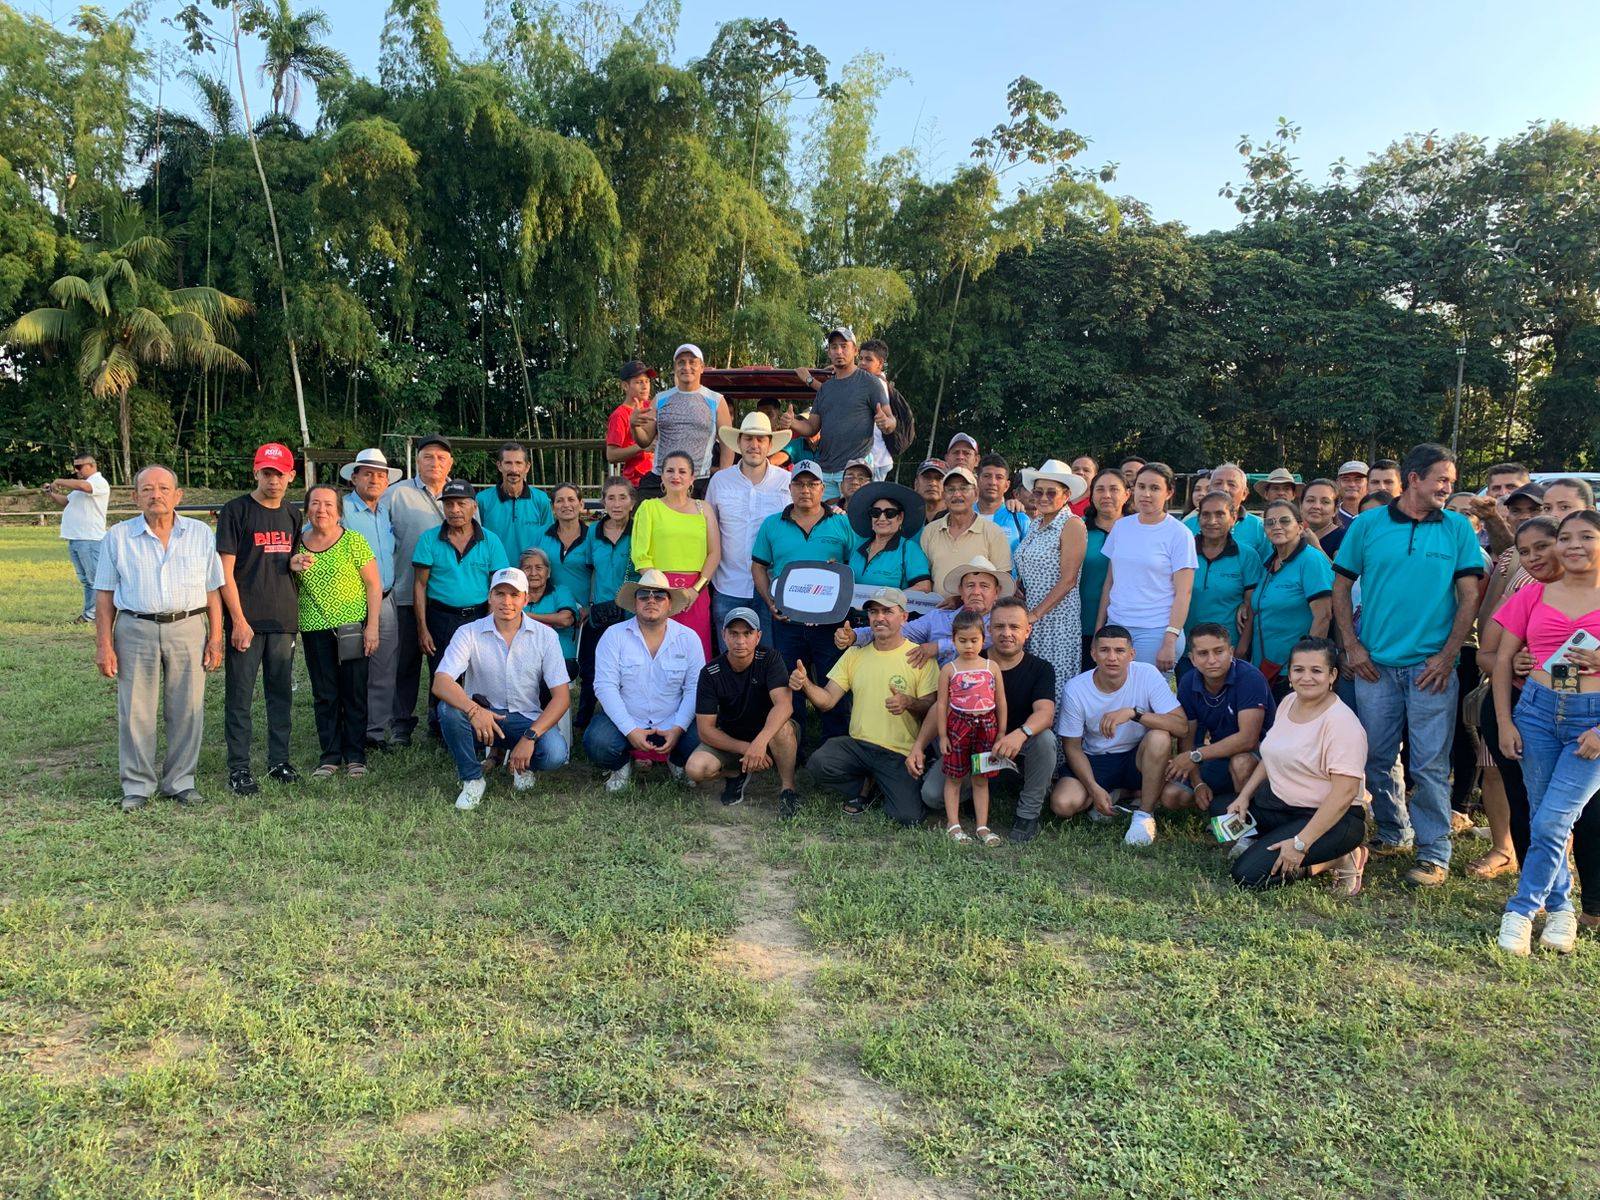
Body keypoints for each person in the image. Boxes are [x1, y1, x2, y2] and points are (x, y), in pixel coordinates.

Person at [1333, 442, 1485, 886]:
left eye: (1451, 481)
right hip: (1374, 665)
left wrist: (1448, 655)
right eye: (1442, 479)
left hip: (1430, 668)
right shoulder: (1368, 525)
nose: (1448, 488)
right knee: (1377, 756)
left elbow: (1470, 597)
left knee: (1430, 763)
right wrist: (1352, 646)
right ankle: (1394, 830)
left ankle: (1434, 853)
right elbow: (1340, 587)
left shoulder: (1457, 528)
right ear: (1414, 478)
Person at [1492, 510, 1600, 954]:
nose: (1573, 546)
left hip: (1590, 723)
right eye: (1566, 538)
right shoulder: (1535, 593)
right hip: (1536, 713)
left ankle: (1521, 910)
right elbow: (1502, 659)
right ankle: (1560, 909)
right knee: (1542, 819)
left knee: (1555, 820)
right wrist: (1504, 721)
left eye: (1586, 537)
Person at [93, 465, 224, 811]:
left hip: (188, 627)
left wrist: (216, 637)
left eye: (164, 488)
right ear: (135, 497)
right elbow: (104, 594)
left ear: (178, 495)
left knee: (188, 709)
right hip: (135, 628)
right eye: (147, 489)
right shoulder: (118, 537)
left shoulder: (200, 533)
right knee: (136, 710)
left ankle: (180, 782)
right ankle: (137, 785)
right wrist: (104, 645)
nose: (156, 495)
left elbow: (213, 590)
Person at [1225, 638, 1370, 894]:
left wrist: (1301, 844)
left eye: (1316, 670)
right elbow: (1273, 753)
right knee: (1222, 811)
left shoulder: (1342, 724)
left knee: (1247, 876)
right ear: (1290, 674)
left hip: (1333, 819)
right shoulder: (1289, 701)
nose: (1306, 677)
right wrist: (1244, 796)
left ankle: (1337, 859)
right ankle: (1274, 839)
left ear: (1332, 675)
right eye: (1299, 670)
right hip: (1284, 807)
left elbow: (1345, 793)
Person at [909, 597, 1058, 842]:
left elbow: (1045, 713)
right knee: (932, 795)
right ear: (989, 629)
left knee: (1045, 739)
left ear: (1027, 631)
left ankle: (1027, 813)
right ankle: (978, 790)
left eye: (1014, 627)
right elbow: (941, 706)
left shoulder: (1040, 668)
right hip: (969, 741)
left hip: (1016, 745)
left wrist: (1019, 734)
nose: (1006, 633)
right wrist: (918, 746)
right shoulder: (969, 660)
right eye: (999, 626)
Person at [791, 587, 938, 824]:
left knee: (907, 817)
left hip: (898, 752)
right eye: (873, 612)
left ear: (904, 617)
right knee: (819, 763)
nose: (879, 618)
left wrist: (908, 702)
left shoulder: (918, 656)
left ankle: (879, 785)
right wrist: (806, 684)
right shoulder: (855, 654)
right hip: (858, 746)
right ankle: (866, 785)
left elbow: (932, 706)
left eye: (887, 611)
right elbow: (827, 701)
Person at [432, 567, 571, 811]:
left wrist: (530, 737)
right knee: (448, 709)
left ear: (525, 599)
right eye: (500, 594)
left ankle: (523, 765)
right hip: (482, 719)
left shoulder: (545, 636)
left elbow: (561, 698)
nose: (506, 602)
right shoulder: (469, 632)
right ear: (490, 597)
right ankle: (472, 779)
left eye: (514, 595)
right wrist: (474, 710)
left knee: (555, 753)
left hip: (525, 719)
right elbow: (441, 681)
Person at [1472, 516, 1563, 880]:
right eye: (1525, 551)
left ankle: (1568, 888)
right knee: (1525, 800)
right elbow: (1487, 655)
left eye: (1542, 547)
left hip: (1579, 713)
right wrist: (1512, 662)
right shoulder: (1524, 593)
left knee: (1567, 806)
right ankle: (1534, 885)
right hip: (1518, 705)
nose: (1533, 557)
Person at [1049, 625, 1188, 846]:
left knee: (1159, 736)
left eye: (1120, 651)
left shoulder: (1147, 674)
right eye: (1104, 650)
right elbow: (1072, 746)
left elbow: (1181, 727)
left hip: (1137, 757)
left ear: (1132, 654)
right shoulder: (1076, 688)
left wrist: (1134, 714)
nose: (1112, 657)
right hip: (1097, 758)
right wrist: (1093, 788)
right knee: (1063, 805)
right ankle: (1122, 793)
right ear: (1093, 654)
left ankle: (1144, 815)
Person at [216, 442, 302, 795]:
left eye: (280, 474)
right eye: (267, 473)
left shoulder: (293, 514)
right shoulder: (236, 511)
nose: (273, 480)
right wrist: (237, 620)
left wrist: (295, 563)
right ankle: (239, 768)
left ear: (291, 476)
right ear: (256, 472)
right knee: (240, 696)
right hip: (247, 620)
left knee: (280, 695)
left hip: (283, 620)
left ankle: (278, 761)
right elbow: (224, 571)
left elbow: (288, 557)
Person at [752, 459, 855, 746]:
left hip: (830, 622)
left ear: (822, 488)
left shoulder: (842, 522)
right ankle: (792, 746)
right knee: (790, 683)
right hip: (788, 621)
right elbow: (758, 566)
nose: (805, 490)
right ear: (790, 488)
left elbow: (854, 567)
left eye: (812, 484)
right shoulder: (773, 524)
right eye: (799, 483)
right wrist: (770, 602)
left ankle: (834, 748)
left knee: (833, 681)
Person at [584, 568, 707, 792]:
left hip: (673, 721)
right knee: (597, 741)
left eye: (659, 595)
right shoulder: (613, 635)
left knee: (705, 734)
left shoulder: (689, 638)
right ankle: (621, 764)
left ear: (670, 604)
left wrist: (678, 729)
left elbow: (694, 688)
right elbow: (605, 687)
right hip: (627, 719)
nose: (651, 600)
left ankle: (677, 760)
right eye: (644, 595)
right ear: (635, 603)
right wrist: (630, 730)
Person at [289, 483, 381, 779]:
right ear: (307, 509)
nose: (322, 510)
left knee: (354, 692)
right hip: (314, 629)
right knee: (325, 694)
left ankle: (355, 756)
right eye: (315, 503)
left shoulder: (353, 541)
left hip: (351, 628)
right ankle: (329, 756)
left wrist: (372, 626)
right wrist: (290, 565)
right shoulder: (297, 544)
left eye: (329, 504)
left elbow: (373, 585)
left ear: (339, 512)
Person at [685, 606, 801, 815]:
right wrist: (747, 748)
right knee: (695, 769)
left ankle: (788, 789)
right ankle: (734, 773)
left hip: (768, 735)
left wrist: (760, 742)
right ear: (723, 635)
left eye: (747, 633)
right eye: (734, 633)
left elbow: (784, 705)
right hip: (733, 738)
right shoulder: (710, 672)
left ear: (758, 636)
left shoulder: (770, 658)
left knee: (783, 728)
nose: (740, 641)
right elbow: (705, 730)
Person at [915, 610, 1006, 844]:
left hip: (986, 727)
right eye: (962, 640)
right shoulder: (949, 669)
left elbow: (1000, 701)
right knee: (954, 777)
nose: (968, 646)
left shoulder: (991, 667)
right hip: (958, 726)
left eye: (974, 640)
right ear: (953, 639)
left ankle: (982, 826)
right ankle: (953, 824)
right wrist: (943, 735)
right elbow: (942, 704)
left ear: (983, 638)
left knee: (981, 778)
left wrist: (1001, 733)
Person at [1161, 624, 1274, 813]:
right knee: (1172, 796)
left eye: (1219, 651)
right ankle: (1223, 804)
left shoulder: (1249, 677)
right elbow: (1188, 740)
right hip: (1219, 754)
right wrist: (1198, 783)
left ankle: (1248, 821)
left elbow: (1248, 740)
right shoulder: (1188, 682)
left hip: (1262, 756)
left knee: (1240, 763)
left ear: (1231, 652)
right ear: (1192, 659)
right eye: (1203, 653)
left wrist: (1196, 755)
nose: (1212, 660)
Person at [1097, 462, 1196, 672]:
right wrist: (1100, 628)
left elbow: (1184, 592)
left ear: (1169, 492)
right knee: (1115, 688)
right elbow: (1110, 583)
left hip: (1156, 631)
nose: (1146, 494)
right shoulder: (1121, 527)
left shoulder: (1179, 534)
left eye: (1155, 488)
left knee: (1146, 691)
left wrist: (1170, 639)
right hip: (1116, 626)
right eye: (1141, 487)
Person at [414, 479, 512, 687]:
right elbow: (420, 585)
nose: (455, 510)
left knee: (481, 679)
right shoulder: (429, 539)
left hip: (479, 616)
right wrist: (423, 629)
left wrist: (491, 623)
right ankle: (441, 710)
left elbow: (499, 586)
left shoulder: (491, 540)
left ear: (474, 506)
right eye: (449, 504)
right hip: (441, 619)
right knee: (443, 678)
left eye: (461, 503)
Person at [705, 411, 791, 648]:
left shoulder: (787, 481)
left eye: (761, 439)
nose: (754, 445)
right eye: (748, 438)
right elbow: (708, 530)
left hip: (773, 587)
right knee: (730, 657)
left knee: (770, 659)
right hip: (727, 585)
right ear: (739, 442)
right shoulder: (720, 481)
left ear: (770, 444)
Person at [388, 433, 451, 744]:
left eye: (441, 457)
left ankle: (439, 720)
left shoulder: (460, 493)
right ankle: (401, 723)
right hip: (404, 593)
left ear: (450, 463)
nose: (434, 462)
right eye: (428, 457)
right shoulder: (396, 494)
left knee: (444, 663)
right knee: (405, 662)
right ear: (417, 461)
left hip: (445, 598)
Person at [786, 327, 896, 499]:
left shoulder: (870, 383)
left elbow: (891, 421)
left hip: (855, 472)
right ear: (829, 352)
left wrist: (886, 423)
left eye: (844, 346)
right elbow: (812, 428)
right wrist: (792, 422)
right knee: (822, 516)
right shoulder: (825, 389)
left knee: (855, 515)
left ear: (855, 350)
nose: (839, 351)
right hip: (825, 471)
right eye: (834, 347)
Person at [631, 449, 721, 657]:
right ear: (662, 476)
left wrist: (695, 590)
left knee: (695, 652)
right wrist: (662, 590)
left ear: (692, 478)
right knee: (660, 651)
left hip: (695, 592)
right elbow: (640, 555)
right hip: (658, 593)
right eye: (670, 471)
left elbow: (714, 553)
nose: (676, 476)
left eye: (682, 471)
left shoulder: (704, 509)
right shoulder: (649, 508)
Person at [340, 448, 402, 752]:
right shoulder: (341, 509)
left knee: (383, 668)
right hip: (350, 600)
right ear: (354, 478)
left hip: (385, 598)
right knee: (350, 668)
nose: (375, 480)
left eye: (380, 475)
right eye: (368, 474)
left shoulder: (386, 511)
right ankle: (347, 730)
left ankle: (374, 733)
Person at [1014, 459, 1088, 707]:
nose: (1043, 497)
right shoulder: (1036, 523)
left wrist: (1035, 614)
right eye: (1038, 492)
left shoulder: (1072, 524)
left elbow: (1068, 580)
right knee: (1030, 687)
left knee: (1053, 688)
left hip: (1056, 622)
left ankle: (1055, 734)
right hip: (1030, 618)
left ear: (1066, 495)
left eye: (1051, 492)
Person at [631, 343, 735, 499]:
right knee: (641, 512)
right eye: (681, 362)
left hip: (698, 481)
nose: (686, 367)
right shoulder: (660, 399)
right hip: (660, 479)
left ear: (701, 367)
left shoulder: (716, 401)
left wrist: (722, 479)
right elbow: (644, 440)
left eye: (692, 362)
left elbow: (727, 444)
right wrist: (635, 426)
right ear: (675, 368)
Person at [1252, 499, 1334, 695]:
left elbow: (1323, 616)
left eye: (1284, 521)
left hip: (1296, 672)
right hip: (1264, 666)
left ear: (1300, 527)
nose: (1276, 526)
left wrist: (1307, 665)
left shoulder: (1311, 560)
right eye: (1270, 522)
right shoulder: (1268, 562)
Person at [577, 477, 635, 728]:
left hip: (631, 611)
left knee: (628, 670)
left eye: (623, 497)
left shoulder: (640, 530)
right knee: (591, 667)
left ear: (632, 502)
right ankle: (583, 719)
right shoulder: (593, 531)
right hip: (601, 611)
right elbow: (591, 570)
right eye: (611, 498)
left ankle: (626, 718)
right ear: (603, 502)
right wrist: (587, 605)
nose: (617, 504)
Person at [1185, 492, 1261, 674]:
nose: (1212, 521)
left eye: (1220, 514)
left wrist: (1242, 647)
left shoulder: (1247, 555)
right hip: (1188, 647)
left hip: (1227, 648)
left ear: (1233, 518)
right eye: (1206, 514)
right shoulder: (1183, 550)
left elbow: (1251, 606)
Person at [44, 451, 110, 623]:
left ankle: (94, 615)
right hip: (76, 539)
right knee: (86, 580)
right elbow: (66, 501)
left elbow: (84, 487)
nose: (76, 470)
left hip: (90, 539)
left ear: (92, 465)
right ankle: (90, 614)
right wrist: (50, 494)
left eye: (79, 466)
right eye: (75, 467)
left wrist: (59, 481)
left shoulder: (98, 482)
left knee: (94, 581)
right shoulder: (81, 487)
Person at [920, 467, 1013, 588]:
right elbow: (923, 579)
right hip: (936, 601)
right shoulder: (930, 531)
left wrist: (964, 597)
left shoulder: (993, 532)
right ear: (944, 495)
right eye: (951, 489)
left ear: (976, 494)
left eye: (964, 488)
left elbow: (1003, 582)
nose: (957, 494)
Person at [1079, 468, 1129, 668]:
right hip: (1083, 620)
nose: (1106, 495)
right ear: (1091, 495)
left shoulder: (1138, 530)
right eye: (1100, 489)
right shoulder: (1078, 528)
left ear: (1127, 494)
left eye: (1114, 489)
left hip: (1127, 620)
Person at [537, 483, 592, 663]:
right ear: (553, 507)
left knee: (583, 666)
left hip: (584, 613)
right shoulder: (542, 535)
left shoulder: (592, 536)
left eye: (571, 499)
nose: (566, 505)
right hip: (551, 611)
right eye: (559, 501)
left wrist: (591, 606)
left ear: (581, 504)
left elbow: (600, 573)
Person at [846, 481, 933, 592]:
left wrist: (889, 599)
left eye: (890, 513)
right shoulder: (858, 546)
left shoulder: (909, 549)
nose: (882, 518)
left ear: (900, 518)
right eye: (876, 512)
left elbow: (924, 587)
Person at [475, 442, 552, 562]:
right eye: (508, 463)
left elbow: (548, 540)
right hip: (494, 570)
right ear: (499, 466)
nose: (513, 469)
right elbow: (475, 541)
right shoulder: (482, 500)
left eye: (518, 463)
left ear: (527, 467)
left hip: (529, 570)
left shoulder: (541, 499)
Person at [1184, 463, 1270, 563]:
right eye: (1218, 483)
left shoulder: (1261, 528)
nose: (1224, 489)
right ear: (1209, 490)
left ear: (1244, 493)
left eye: (1231, 484)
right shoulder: (1188, 526)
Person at [518, 547, 581, 663]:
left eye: (539, 568)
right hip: (523, 660)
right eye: (527, 568)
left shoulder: (561, 592)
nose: (533, 573)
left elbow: (566, 620)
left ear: (548, 572)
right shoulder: (514, 596)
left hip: (561, 658)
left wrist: (526, 616)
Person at [606, 360, 657, 488]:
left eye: (647, 381)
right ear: (625, 386)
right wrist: (642, 447)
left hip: (659, 476)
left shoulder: (653, 406)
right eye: (639, 382)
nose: (645, 386)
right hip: (637, 482)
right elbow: (611, 455)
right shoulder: (619, 415)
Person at [857, 337, 901, 480]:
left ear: (880, 363)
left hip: (874, 459)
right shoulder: (874, 381)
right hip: (876, 457)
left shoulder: (875, 384)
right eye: (860, 358)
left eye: (868, 359)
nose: (862, 363)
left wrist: (810, 381)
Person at [975, 453, 1031, 551]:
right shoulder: (964, 516)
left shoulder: (1020, 520)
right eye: (987, 476)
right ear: (977, 480)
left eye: (999, 477)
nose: (992, 482)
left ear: (1007, 485)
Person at [1300, 479, 1342, 548]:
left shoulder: (1345, 538)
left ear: (1335, 510)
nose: (1316, 506)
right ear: (1301, 506)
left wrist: (1315, 546)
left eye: (1325, 502)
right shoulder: (1293, 536)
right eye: (1310, 500)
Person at [1334, 461, 1369, 527]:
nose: (1352, 484)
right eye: (1346, 480)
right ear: (1338, 483)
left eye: (1358, 480)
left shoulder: (1377, 516)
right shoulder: (1330, 517)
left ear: (1368, 483)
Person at [914, 458, 947, 525]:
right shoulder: (906, 518)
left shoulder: (957, 517)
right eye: (927, 477)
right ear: (916, 484)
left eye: (939, 478)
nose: (933, 483)